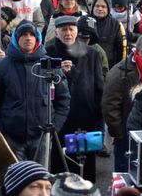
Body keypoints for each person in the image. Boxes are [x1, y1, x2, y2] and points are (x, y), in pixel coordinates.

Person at [0, 20, 70, 162]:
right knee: (15, 181)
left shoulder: (50, 65)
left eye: (31, 35)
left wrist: (54, 128)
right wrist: (1, 131)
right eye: (23, 35)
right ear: (16, 39)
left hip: (42, 137)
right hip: (11, 139)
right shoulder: (1, 67)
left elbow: (63, 98)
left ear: (37, 39)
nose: (28, 38)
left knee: (40, 180)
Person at [44, 15, 104, 182]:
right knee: (59, 165)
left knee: (83, 165)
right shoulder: (48, 53)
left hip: (84, 118)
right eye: (63, 30)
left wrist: (97, 114)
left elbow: (99, 87)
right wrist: (58, 72)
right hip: (58, 120)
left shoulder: (92, 54)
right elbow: (41, 85)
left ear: (77, 32)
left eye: (71, 29)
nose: (68, 33)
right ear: (56, 33)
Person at [103, 33, 142, 173]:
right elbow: (110, 106)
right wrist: (119, 133)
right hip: (127, 136)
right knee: (127, 174)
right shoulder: (120, 73)